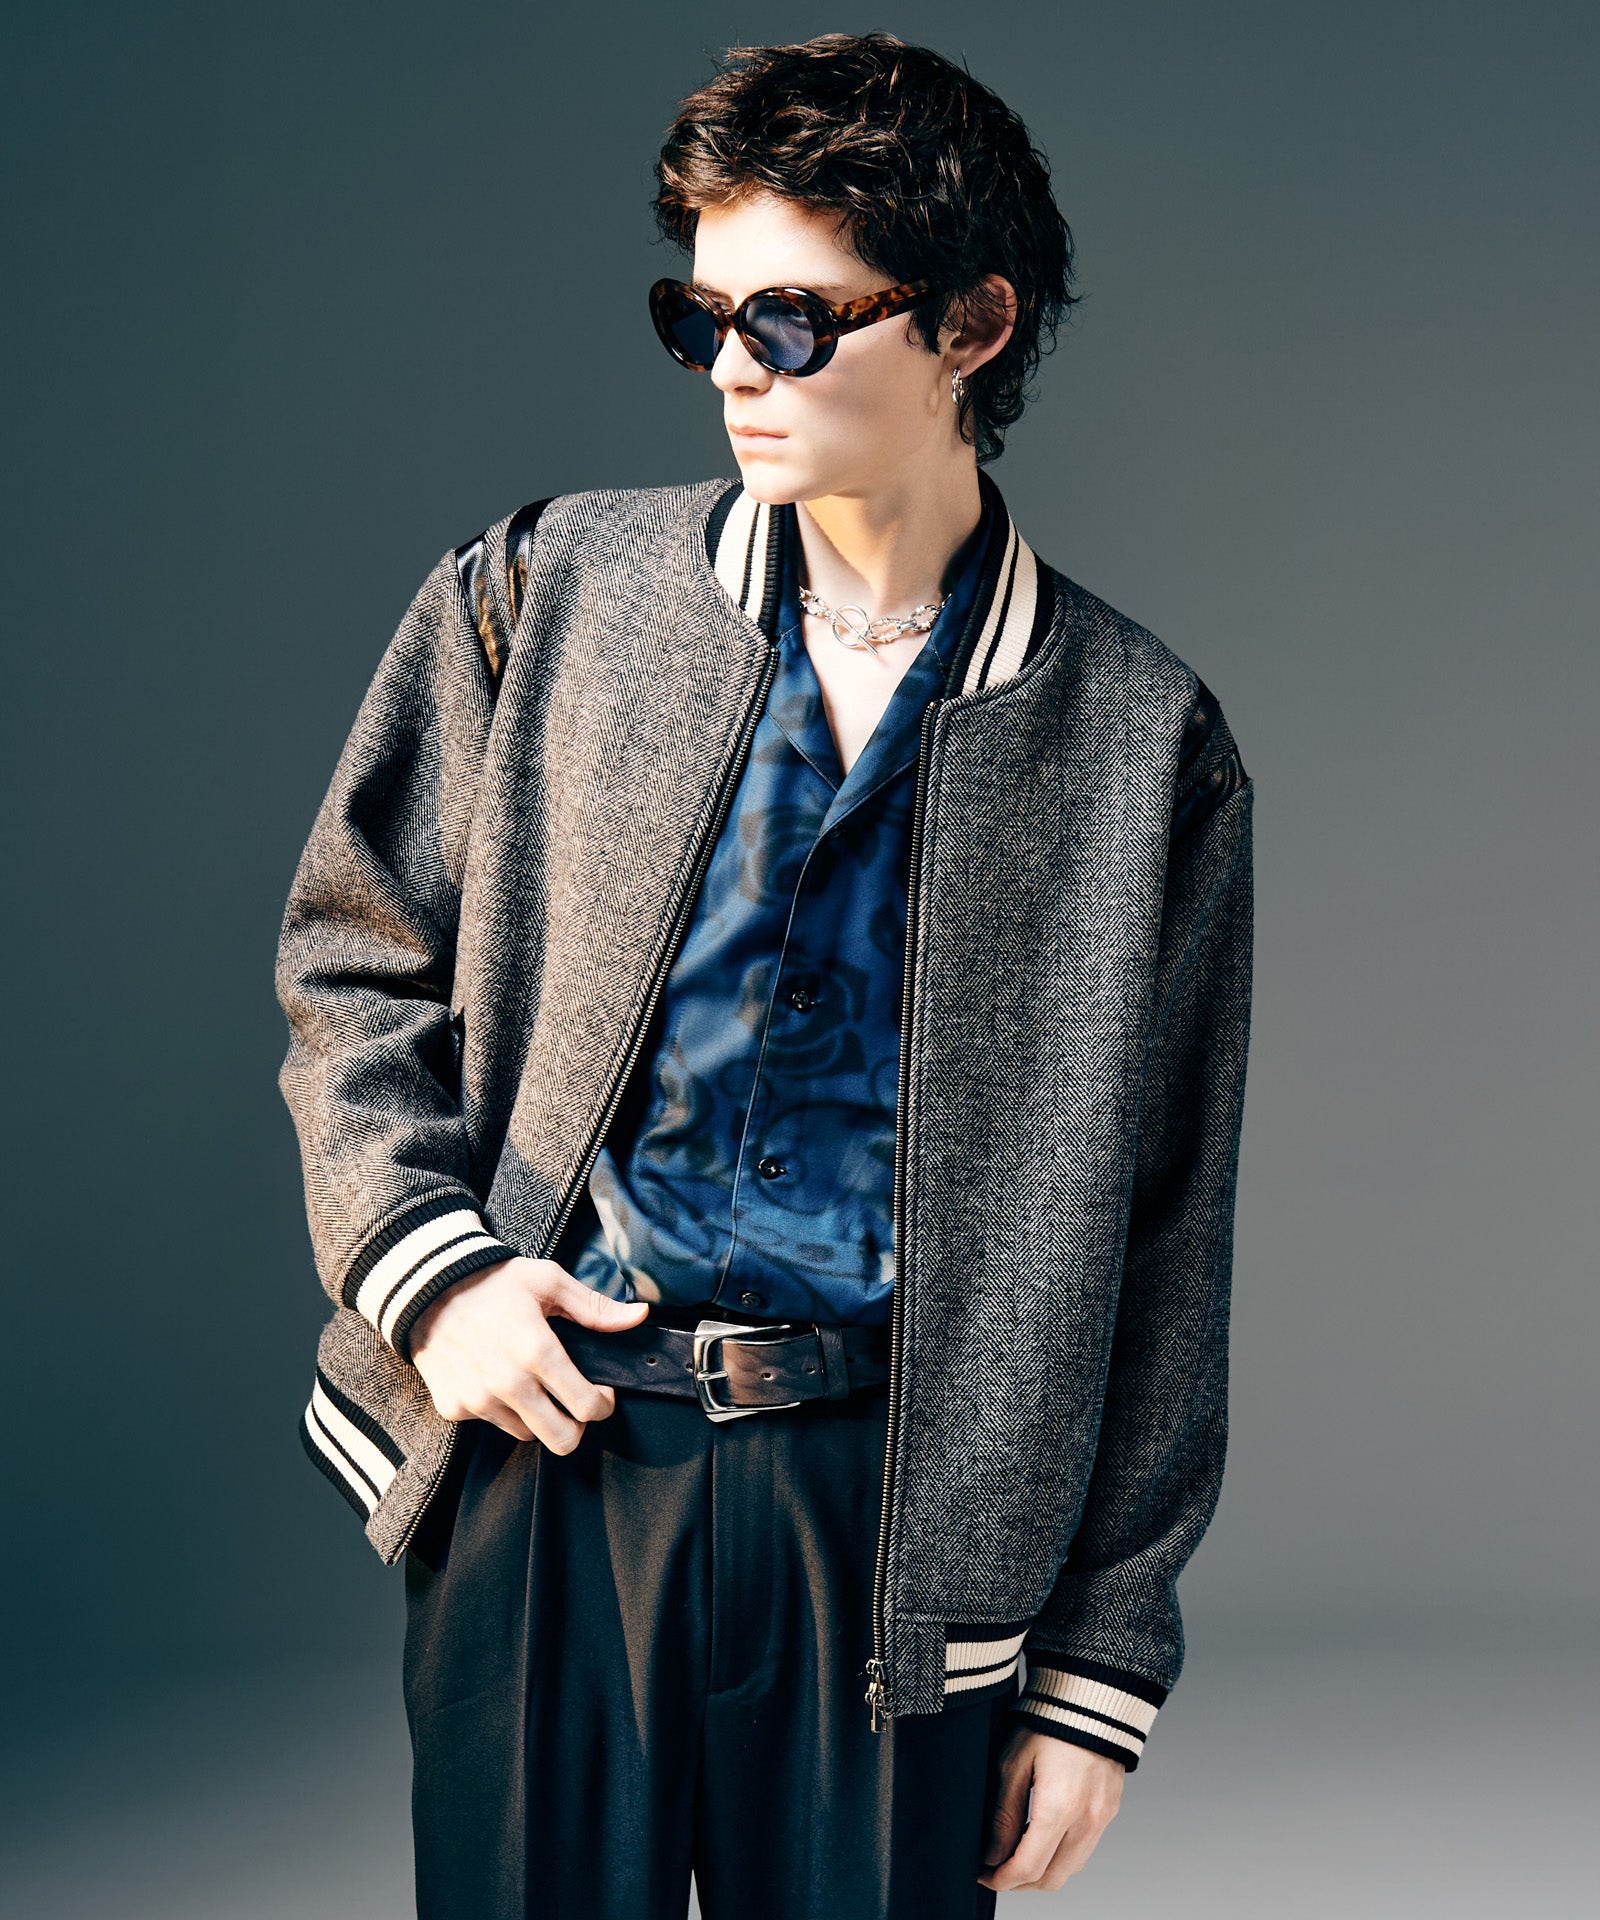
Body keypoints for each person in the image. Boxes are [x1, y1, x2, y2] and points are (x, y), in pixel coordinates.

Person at [275, 30, 1254, 1920]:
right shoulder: (541, 592)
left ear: (973, 324)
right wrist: (436, 1277)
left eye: (793, 320)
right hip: (549, 1454)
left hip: (899, 1518)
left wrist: (1100, 1663)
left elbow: (1166, 1224)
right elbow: (352, 955)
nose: (735, 368)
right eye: (701, 315)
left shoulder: (1143, 744)